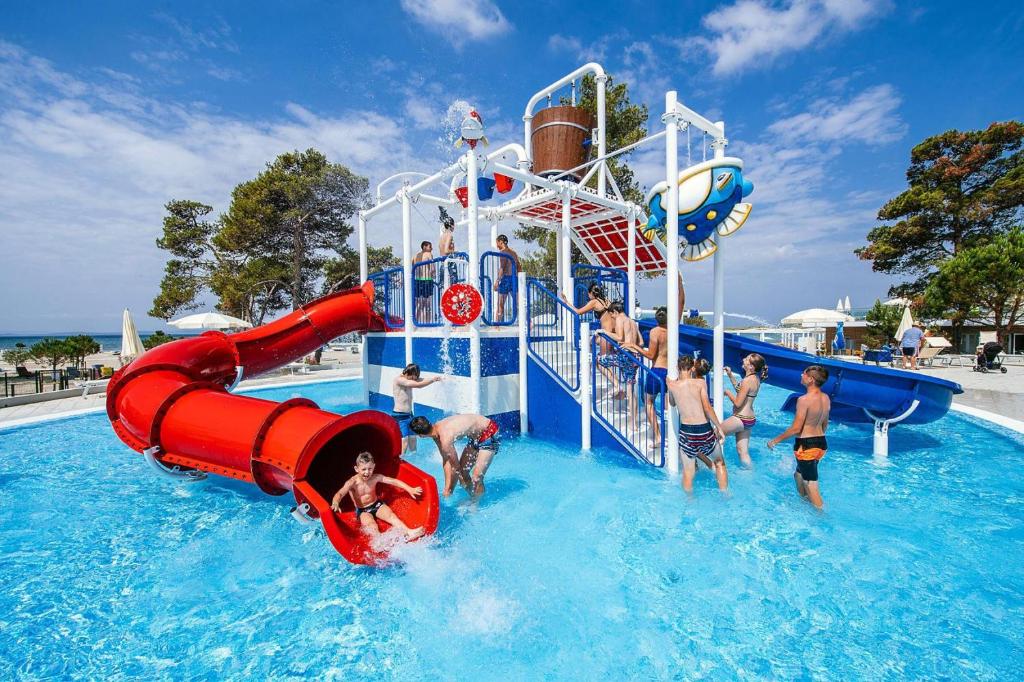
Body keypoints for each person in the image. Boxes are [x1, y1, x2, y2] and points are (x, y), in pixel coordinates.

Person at [766, 365, 831, 510]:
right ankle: (805, 504)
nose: (801, 375)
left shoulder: (804, 400)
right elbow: (825, 423)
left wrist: (775, 441)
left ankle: (821, 516)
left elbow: (796, 428)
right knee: (798, 475)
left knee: (810, 483)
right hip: (821, 443)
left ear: (811, 380)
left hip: (807, 445)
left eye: (804, 374)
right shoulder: (825, 398)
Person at [666, 357, 727, 493]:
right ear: (693, 367)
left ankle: (689, 501)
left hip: (686, 431)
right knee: (719, 463)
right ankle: (725, 494)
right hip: (703, 429)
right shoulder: (700, 383)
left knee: (688, 472)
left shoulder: (672, 385)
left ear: (677, 368)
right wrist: (719, 427)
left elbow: (672, 403)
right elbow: (707, 408)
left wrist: (670, 385)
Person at [330, 451, 425, 540]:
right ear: (356, 469)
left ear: (374, 467)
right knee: (371, 525)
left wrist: (410, 489)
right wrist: (336, 502)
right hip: (363, 510)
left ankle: (409, 532)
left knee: (391, 516)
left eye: (370, 469)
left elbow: (393, 481)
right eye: (363, 469)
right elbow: (340, 493)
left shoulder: (375, 477)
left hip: (376, 504)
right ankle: (380, 543)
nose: (367, 472)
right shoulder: (352, 482)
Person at [410, 414, 500, 497]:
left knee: (476, 477)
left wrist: (450, 490)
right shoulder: (436, 431)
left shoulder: (445, 439)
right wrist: (447, 488)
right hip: (476, 437)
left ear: (420, 435)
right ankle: (473, 497)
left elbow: (455, 467)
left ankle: (477, 505)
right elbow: (446, 460)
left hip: (489, 431)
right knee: (462, 474)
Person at [624, 306, 668, 449]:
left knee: (649, 402)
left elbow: (650, 356)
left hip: (657, 371)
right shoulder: (673, 331)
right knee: (670, 406)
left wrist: (633, 346)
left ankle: (658, 437)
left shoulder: (655, 332)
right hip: (671, 372)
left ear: (656, 319)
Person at [720, 353, 768, 467]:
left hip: (740, 418)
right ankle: (749, 474)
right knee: (743, 452)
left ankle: (714, 466)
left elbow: (738, 403)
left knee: (713, 435)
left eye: (746, 360)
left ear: (751, 366)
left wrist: (727, 392)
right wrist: (731, 375)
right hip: (749, 419)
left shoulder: (747, 380)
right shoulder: (755, 378)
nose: (743, 360)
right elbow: (741, 391)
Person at [392, 363, 443, 453]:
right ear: (407, 373)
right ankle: (400, 461)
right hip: (399, 415)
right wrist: (432, 380)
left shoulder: (409, 378)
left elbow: (421, 380)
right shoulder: (399, 380)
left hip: (409, 414)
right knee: (405, 440)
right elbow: (418, 385)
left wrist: (435, 378)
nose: (414, 380)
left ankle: (413, 459)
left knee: (413, 438)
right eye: (413, 378)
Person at [493, 235, 521, 322]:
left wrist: (497, 281)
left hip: (506, 280)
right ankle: (529, 322)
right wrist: (519, 280)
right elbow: (519, 267)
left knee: (500, 304)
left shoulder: (503, 252)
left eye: (497, 243)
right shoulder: (514, 252)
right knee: (519, 303)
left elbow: (502, 268)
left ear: (501, 242)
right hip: (514, 279)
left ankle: (497, 325)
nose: (497, 245)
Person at [413, 241, 436, 322]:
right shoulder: (428, 254)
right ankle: (427, 324)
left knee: (418, 304)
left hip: (417, 281)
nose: (432, 249)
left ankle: (416, 323)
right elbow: (432, 268)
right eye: (430, 247)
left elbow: (411, 268)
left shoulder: (415, 256)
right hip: (427, 281)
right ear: (424, 247)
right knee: (427, 305)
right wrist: (434, 275)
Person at [438, 207, 461, 286]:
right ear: (451, 225)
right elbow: (446, 250)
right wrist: (456, 252)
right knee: (453, 288)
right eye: (453, 225)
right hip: (449, 265)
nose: (454, 227)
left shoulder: (442, 237)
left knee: (444, 289)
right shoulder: (449, 235)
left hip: (442, 264)